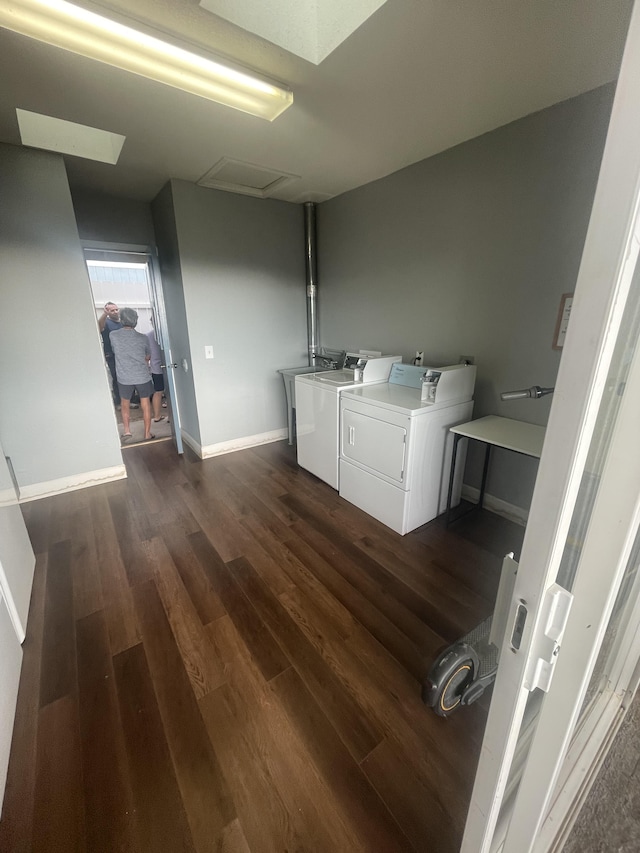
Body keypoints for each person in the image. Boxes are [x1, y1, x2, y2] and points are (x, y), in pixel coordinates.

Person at [109, 307, 155, 441]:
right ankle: (147, 434)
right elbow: (147, 356)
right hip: (142, 376)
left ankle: (127, 431)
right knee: (145, 404)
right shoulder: (143, 338)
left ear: (121, 320)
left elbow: (115, 351)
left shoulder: (113, 335)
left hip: (124, 377)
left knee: (125, 404)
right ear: (135, 320)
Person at [98, 301, 139, 410]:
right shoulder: (106, 322)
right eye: (112, 310)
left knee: (128, 378)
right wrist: (104, 314)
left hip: (126, 355)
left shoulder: (123, 322)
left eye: (116, 309)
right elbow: (98, 327)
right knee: (117, 378)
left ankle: (130, 400)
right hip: (112, 356)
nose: (115, 312)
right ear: (107, 312)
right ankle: (119, 403)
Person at [147, 316, 166, 422]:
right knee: (169, 392)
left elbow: (146, 354)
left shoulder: (148, 336)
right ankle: (172, 417)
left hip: (156, 368)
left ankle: (157, 416)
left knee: (158, 391)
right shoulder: (167, 333)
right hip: (168, 367)